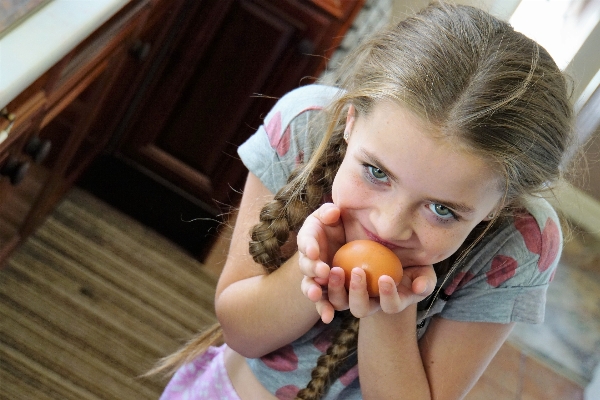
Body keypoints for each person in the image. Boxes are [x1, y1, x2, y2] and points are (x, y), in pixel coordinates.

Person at [152, 2, 575, 399]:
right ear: (351, 121)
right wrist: (312, 272)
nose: (388, 226)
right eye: (376, 173)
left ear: (499, 206)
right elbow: (241, 332)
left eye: (442, 209)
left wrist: (390, 311)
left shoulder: (523, 242)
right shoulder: (305, 130)